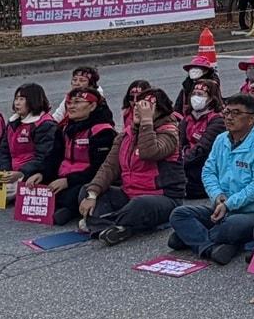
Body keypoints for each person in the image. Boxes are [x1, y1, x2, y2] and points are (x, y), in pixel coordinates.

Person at [167, 92, 254, 264]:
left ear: (251, 119)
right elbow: (208, 171)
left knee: (231, 226)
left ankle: (198, 239)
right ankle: (211, 247)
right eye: (227, 112)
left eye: (236, 113)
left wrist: (228, 204)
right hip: (221, 207)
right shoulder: (221, 139)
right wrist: (218, 196)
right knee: (179, 214)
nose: (229, 117)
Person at [78, 87, 186, 245]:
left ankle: (102, 223)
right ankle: (116, 226)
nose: (138, 110)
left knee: (140, 205)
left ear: (160, 111)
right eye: (136, 106)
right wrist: (92, 194)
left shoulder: (170, 133)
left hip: (162, 197)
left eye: (145, 107)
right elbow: (109, 167)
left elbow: (148, 152)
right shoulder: (126, 135)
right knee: (87, 190)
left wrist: (146, 122)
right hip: (129, 193)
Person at [49, 88, 116, 224]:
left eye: (77, 102)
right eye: (69, 103)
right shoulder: (65, 128)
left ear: (92, 106)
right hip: (64, 175)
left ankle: (71, 210)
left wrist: (68, 181)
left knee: (77, 193)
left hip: (85, 179)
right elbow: (53, 157)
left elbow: (100, 169)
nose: (71, 106)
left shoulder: (103, 132)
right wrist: (39, 173)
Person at [0, 83, 61, 192]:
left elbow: (43, 157)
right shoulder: (13, 122)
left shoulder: (45, 124)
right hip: (13, 170)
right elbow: (4, 150)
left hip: (32, 172)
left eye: (22, 99)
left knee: (6, 191)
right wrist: (5, 169)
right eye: (16, 99)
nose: (17, 103)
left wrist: (22, 172)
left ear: (33, 101)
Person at [178, 78, 226, 200]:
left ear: (211, 98)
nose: (196, 97)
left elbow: (203, 149)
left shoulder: (217, 121)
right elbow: (178, 143)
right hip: (186, 162)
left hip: (204, 165)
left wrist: (179, 164)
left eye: (200, 94)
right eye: (194, 94)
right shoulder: (187, 119)